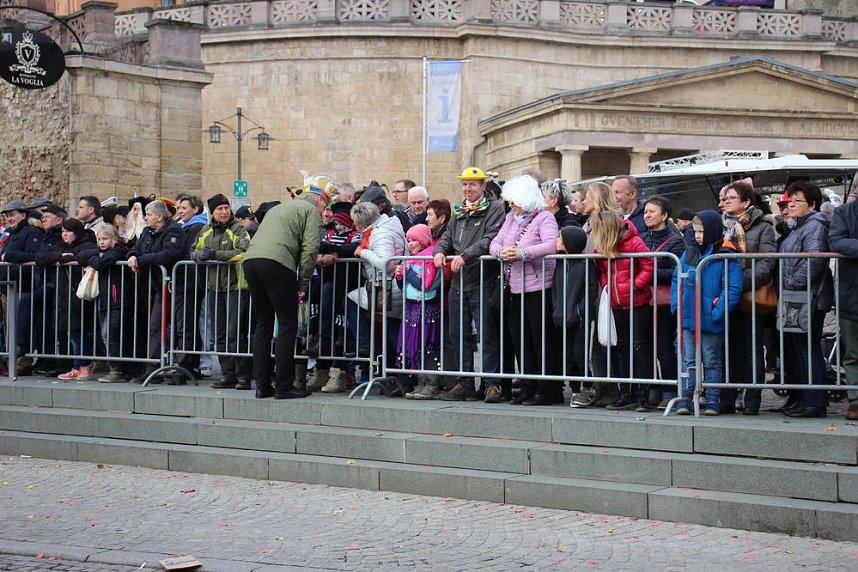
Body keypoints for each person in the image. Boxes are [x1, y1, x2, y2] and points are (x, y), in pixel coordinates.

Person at [243, 173, 333, 399]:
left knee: (263, 323)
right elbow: (311, 248)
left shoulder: (279, 208)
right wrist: (302, 283)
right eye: (326, 204)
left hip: (251, 261)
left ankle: (262, 385)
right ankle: (284, 385)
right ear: (321, 200)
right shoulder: (310, 211)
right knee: (287, 323)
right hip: (277, 263)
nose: (325, 209)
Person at [433, 167, 505, 402]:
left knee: (487, 334)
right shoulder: (459, 211)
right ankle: (464, 383)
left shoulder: (494, 209)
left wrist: (466, 256)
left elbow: (490, 239)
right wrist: (439, 251)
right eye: (465, 185)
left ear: (483, 186)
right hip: (458, 283)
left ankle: (491, 383)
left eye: (473, 184)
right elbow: (446, 237)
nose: (468, 189)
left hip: (483, 280)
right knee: (458, 334)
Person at [489, 175, 559, 405]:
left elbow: (551, 245)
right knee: (521, 341)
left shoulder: (545, 218)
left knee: (540, 340)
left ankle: (546, 387)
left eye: (515, 201)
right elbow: (495, 243)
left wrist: (523, 253)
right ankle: (528, 384)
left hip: (538, 286)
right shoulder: (510, 218)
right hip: (514, 286)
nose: (511, 205)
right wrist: (501, 253)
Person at [671, 211, 743, 415]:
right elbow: (677, 279)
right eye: (695, 231)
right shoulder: (690, 252)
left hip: (711, 316)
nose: (698, 235)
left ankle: (712, 399)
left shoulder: (725, 254)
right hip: (687, 315)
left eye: (701, 231)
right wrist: (676, 305)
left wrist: (717, 311)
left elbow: (732, 288)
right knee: (688, 360)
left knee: (711, 360)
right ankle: (685, 397)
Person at [718, 179, 777, 415]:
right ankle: (727, 398)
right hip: (724, 297)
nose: (725, 202)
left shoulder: (762, 227)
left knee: (752, 349)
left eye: (731, 198)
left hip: (750, 296)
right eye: (724, 198)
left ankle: (752, 399)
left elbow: (767, 263)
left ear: (746, 202)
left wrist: (738, 282)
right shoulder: (719, 225)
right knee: (728, 349)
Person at [778, 182, 834, 418]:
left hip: (809, 296)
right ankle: (803, 397)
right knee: (798, 348)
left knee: (808, 348)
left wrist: (791, 282)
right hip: (796, 296)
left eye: (796, 200)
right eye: (790, 200)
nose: (790, 204)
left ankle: (815, 400)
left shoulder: (815, 226)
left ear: (811, 204)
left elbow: (814, 261)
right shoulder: (798, 227)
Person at [591, 210, 654, 411]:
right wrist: (607, 286)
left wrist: (634, 285)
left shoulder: (634, 242)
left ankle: (643, 395)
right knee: (622, 349)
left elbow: (649, 264)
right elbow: (601, 270)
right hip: (616, 302)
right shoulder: (601, 247)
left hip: (637, 302)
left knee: (640, 349)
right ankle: (626, 393)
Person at [192, 194, 253, 390]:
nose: (224, 212)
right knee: (219, 333)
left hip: (236, 287)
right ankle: (228, 375)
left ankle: (243, 376)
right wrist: (199, 256)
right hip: (214, 288)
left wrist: (216, 255)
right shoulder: (206, 230)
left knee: (235, 333)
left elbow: (244, 251)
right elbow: (193, 250)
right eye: (220, 209)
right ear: (213, 212)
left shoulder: (238, 228)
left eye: (226, 208)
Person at [127, 200, 187, 383]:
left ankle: (180, 369)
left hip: (178, 286)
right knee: (155, 327)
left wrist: (142, 260)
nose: (146, 217)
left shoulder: (174, 230)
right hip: (158, 287)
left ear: (160, 216)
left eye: (149, 213)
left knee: (180, 328)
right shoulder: (147, 231)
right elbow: (136, 249)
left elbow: (169, 255)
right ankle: (153, 367)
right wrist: (132, 257)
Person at [307, 202, 362, 394]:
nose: (338, 227)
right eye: (336, 223)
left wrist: (333, 251)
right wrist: (323, 252)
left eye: (341, 223)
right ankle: (321, 370)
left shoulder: (356, 235)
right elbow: (317, 247)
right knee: (325, 327)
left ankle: (339, 373)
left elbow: (355, 249)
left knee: (341, 332)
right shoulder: (330, 234)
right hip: (325, 287)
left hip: (346, 286)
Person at [345, 201, 406, 371]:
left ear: (362, 223)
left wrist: (362, 252)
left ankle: (365, 346)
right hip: (388, 287)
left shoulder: (380, 233)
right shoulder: (387, 227)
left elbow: (385, 262)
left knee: (393, 335)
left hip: (388, 288)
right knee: (392, 335)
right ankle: (399, 377)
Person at [35, 218, 98, 380]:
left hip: (78, 295)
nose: (64, 235)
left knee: (77, 332)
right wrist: (62, 256)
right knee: (69, 332)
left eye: (68, 232)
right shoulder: (61, 246)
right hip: (63, 295)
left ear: (76, 232)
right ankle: (75, 365)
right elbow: (40, 257)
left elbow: (86, 255)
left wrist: (64, 258)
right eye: (63, 232)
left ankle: (84, 364)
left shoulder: (87, 244)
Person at [641, 195, 685, 408]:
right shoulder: (641, 237)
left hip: (663, 302)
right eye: (646, 211)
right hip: (642, 298)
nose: (647, 215)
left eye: (652, 211)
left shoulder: (676, 240)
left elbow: (675, 270)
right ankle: (652, 387)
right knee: (646, 346)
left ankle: (670, 389)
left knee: (664, 346)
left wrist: (648, 272)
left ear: (665, 215)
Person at [553, 225, 599, 407]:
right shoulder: (559, 263)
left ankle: (587, 387)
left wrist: (581, 311)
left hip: (579, 319)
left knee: (580, 355)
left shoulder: (585, 264)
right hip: (562, 317)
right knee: (568, 356)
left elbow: (590, 290)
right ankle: (575, 389)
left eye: (560, 238)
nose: (557, 241)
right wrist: (556, 308)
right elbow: (555, 290)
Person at [395, 224, 443, 400]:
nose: (411, 243)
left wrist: (406, 272)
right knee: (414, 346)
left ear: (423, 239)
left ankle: (431, 384)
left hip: (426, 307)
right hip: (412, 306)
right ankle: (421, 383)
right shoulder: (412, 258)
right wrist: (400, 276)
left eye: (414, 239)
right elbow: (404, 287)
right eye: (409, 240)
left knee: (426, 345)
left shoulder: (429, 257)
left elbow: (425, 284)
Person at [85, 226, 134, 383]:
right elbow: (83, 255)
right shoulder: (100, 252)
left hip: (117, 301)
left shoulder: (118, 251)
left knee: (111, 335)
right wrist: (95, 257)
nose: (101, 242)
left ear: (114, 239)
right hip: (105, 301)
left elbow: (100, 263)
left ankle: (116, 369)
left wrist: (93, 260)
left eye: (105, 239)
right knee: (106, 335)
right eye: (99, 239)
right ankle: (114, 366)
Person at [829, 194, 858, 421]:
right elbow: (836, 241)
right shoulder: (844, 213)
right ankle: (855, 400)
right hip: (852, 293)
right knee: (852, 352)